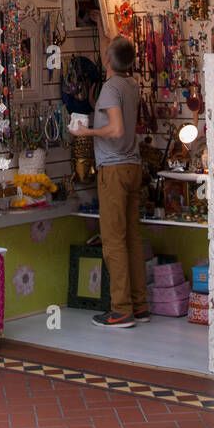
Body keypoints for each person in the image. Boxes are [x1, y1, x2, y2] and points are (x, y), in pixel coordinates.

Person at [75, 34, 149, 329]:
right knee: (132, 238)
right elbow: (118, 50)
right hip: (133, 166)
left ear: (106, 59)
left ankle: (120, 309)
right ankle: (139, 303)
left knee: (113, 241)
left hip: (114, 170)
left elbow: (116, 129)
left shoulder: (109, 89)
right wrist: (99, 24)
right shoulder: (130, 84)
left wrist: (87, 132)